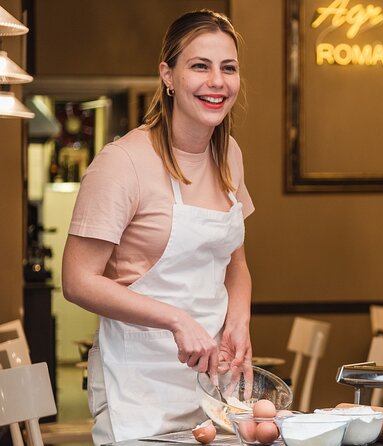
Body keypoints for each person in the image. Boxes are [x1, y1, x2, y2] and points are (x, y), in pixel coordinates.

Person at [62, 10, 253, 444]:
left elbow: (235, 260)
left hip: (213, 387)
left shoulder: (230, 157)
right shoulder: (122, 162)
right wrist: (175, 320)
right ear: (167, 74)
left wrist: (239, 320)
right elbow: (76, 280)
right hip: (138, 388)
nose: (217, 82)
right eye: (199, 66)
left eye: (229, 68)